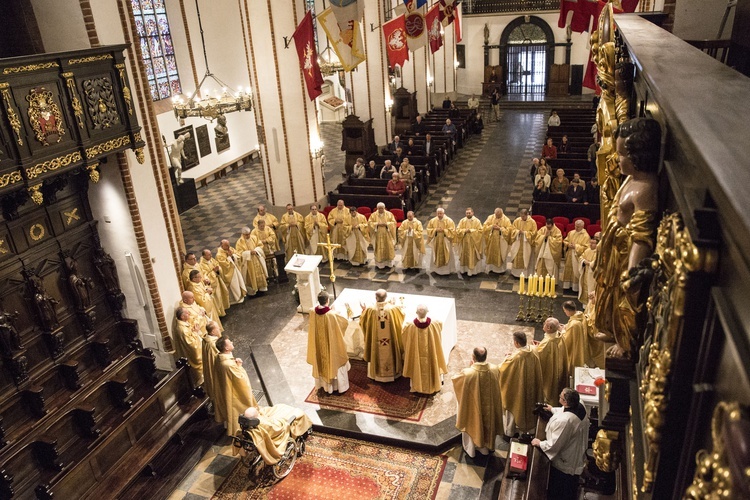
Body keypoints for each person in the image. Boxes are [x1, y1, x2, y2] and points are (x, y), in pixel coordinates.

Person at [595, 118, 661, 358]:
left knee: (623, 294)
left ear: (638, 156)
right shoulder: (630, 179)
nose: (617, 158)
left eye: (622, 154)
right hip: (614, 247)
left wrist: (632, 268)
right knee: (608, 289)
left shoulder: (645, 188)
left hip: (625, 252)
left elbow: (642, 236)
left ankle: (624, 341)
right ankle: (609, 327)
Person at [531, 389, 589, 500]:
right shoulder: (580, 403)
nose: (559, 396)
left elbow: (555, 444)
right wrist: (552, 409)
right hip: (577, 448)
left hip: (566, 462)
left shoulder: (565, 421)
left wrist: (540, 443)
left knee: (561, 489)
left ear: (566, 402)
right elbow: (565, 411)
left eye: (561, 397)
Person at [452, 347, 503, 457]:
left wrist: (469, 367)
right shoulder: (494, 368)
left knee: (474, 421)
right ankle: (486, 446)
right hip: (490, 407)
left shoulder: (468, 373)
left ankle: (472, 449)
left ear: (473, 357)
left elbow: (456, 380)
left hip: (474, 408)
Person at [499, 331, 544, 437]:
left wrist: (506, 358)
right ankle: (531, 429)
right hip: (532, 386)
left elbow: (502, 369)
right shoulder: (533, 350)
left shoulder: (517, 358)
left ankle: (511, 431)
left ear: (516, 343)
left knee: (516, 406)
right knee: (529, 406)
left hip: (520, 389)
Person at [237, 405, 313, 466]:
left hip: (268, 424)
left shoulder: (244, 427)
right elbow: (279, 428)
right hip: (276, 427)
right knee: (299, 413)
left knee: (277, 407)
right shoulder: (265, 424)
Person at [214, 336, 258, 436]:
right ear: (226, 348)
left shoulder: (219, 357)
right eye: (230, 342)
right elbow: (241, 380)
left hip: (226, 388)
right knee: (238, 410)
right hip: (234, 393)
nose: (232, 342)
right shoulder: (229, 365)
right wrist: (239, 366)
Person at [307, 292, 350, 394]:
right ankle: (337, 387)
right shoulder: (331, 315)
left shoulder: (313, 311)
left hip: (319, 347)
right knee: (335, 361)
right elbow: (343, 323)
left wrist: (330, 310)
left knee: (321, 363)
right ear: (328, 301)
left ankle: (324, 386)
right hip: (331, 347)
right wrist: (333, 311)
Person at [359, 289, 405, 382]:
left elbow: (363, 322)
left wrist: (363, 310)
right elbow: (401, 317)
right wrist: (393, 305)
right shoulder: (392, 309)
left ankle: (377, 375)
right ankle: (392, 374)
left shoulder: (371, 310)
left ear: (376, 298)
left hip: (376, 343)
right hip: (390, 342)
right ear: (386, 297)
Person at [402, 304, 447, 394]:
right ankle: (433, 385)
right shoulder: (434, 324)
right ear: (428, 312)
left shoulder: (410, 326)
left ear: (416, 313)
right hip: (431, 352)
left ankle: (416, 386)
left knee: (416, 364)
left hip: (417, 354)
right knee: (433, 363)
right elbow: (440, 327)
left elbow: (404, 336)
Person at [536, 318, 569, 406]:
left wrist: (533, 348)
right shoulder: (559, 336)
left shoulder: (548, 342)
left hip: (550, 370)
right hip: (559, 367)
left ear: (549, 328)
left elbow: (538, 356)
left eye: (544, 324)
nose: (543, 325)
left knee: (549, 387)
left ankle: (549, 403)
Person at [174, 307, 204, 386]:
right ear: (182, 317)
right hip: (192, 353)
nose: (189, 314)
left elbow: (194, 323)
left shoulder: (184, 323)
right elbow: (192, 345)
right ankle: (201, 383)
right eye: (187, 313)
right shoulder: (183, 330)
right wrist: (195, 332)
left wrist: (199, 316)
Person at [236, 227, 268, 295]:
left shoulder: (254, 237)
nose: (248, 236)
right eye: (246, 235)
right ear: (243, 234)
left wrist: (256, 250)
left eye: (249, 234)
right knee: (251, 276)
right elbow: (239, 253)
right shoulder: (239, 242)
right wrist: (249, 253)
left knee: (259, 272)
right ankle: (253, 291)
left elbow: (260, 245)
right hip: (248, 262)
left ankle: (262, 288)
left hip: (256, 258)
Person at [562, 301, 592, 370]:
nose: (564, 312)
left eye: (565, 310)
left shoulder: (574, 324)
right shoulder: (581, 315)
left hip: (575, 348)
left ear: (568, 311)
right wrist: (567, 326)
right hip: (582, 343)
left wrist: (562, 331)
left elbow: (567, 340)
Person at [562, 220, 591, 292]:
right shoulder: (571, 233)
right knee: (568, 269)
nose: (576, 228)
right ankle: (567, 285)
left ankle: (575, 287)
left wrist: (576, 247)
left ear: (582, 226)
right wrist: (568, 245)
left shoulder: (586, 236)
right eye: (575, 226)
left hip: (577, 256)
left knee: (576, 271)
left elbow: (586, 248)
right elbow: (565, 241)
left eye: (578, 227)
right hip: (569, 254)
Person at [426, 207, 456, 275]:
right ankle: (437, 270)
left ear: (443, 213)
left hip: (446, 241)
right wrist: (435, 230)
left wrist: (444, 230)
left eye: (441, 213)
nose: (439, 215)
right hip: (437, 240)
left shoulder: (449, 221)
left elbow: (452, 230)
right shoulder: (433, 220)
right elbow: (428, 229)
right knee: (436, 254)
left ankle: (447, 270)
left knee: (447, 254)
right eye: (438, 213)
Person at [216, 239, 247, 304]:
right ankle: (234, 299)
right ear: (222, 245)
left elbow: (238, 255)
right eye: (226, 245)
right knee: (233, 286)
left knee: (238, 283)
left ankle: (240, 296)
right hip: (229, 273)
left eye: (229, 245)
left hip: (235, 270)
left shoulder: (230, 249)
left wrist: (233, 256)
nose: (228, 247)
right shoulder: (219, 255)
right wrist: (230, 257)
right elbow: (224, 265)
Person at [202, 322, 222, 420]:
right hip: (215, 371)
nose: (219, 330)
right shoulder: (212, 344)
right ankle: (219, 411)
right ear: (213, 331)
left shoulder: (206, 339)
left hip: (210, 369)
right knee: (217, 389)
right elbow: (219, 358)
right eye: (218, 328)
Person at [456, 207, 484, 276]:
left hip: (473, 243)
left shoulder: (477, 221)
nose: (468, 214)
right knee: (464, 256)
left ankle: (473, 271)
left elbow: (480, 231)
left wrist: (471, 231)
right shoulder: (462, 221)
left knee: (472, 256)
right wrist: (464, 231)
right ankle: (464, 270)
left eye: (469, 213)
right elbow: (457, 230)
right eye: (467, 213)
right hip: (464, 242)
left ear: (472, 213)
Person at [508, 209, 537, 277]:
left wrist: (524, 233)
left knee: (526, 257)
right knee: (517, 256)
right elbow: (513, 230)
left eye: (523, 216)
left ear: (527, 215)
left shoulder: (532, 222)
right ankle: (516, 273)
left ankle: (526, 274)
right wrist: (518, 232)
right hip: (518, 242)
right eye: (521, 216)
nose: (522, 218)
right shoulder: (517, 220)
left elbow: (534, 233)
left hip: (527, 244)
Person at [483, 208, 512, 274]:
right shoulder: (490, 217)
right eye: (496, 215)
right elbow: (484, 227)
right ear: (494, 213)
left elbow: (509, 231)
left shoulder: (506, 220)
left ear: (502, 214)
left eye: (499, 216)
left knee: (500, 254)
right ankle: (491, 268)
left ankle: (500, 270)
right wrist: (491, 227)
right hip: (492, 240)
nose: (497, 217)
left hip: (501, 241)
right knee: (491, 253)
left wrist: (500, 228)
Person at [201, 249, 229, 316]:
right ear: (204, 256)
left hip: (217, 280)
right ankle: (219, 313)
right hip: (212, 285)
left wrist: (218, 269)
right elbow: (205, 276)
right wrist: (214, 272)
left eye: (211, 254)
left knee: (221, 296)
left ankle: (222, 311)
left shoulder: (211, 259)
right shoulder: (202, 265)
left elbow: (217, 265)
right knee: (217, 299)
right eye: (208, 255)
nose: (211, 255)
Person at [368, 203, 397, 269]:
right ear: (377, 208)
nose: (381, 209)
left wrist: (387, 224)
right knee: (379, 248)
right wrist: (377, 224)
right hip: (378, 234)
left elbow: (393, 223)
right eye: (379, 208)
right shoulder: (373, 215)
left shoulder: (389, 214)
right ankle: (380, 264)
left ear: (384, 208)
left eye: (382, 208)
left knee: (388, 247)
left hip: (387, 234)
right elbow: (370, 223)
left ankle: (389, 263)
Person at [578, 238, 598, 303]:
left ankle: (590, 303)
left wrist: (589, 263)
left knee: (591, 288)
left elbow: (597, 263)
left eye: (593, 243)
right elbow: (581, 257)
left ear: (597, 244)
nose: (591, 244)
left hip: (592, 275)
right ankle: (585, 304)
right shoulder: (587, 250)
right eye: (590, 243)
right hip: (586, 272)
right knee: (585, 286)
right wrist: (583, 261)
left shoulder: (598, 252)